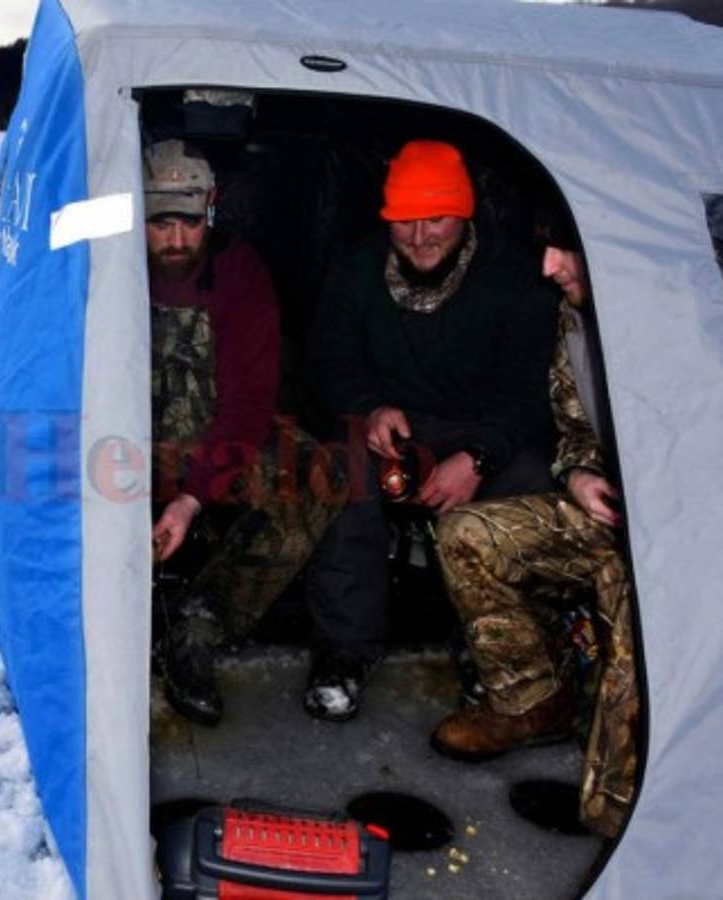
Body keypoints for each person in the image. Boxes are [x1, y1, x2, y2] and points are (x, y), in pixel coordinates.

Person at [303, 140, 560, 721]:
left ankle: (488, 649)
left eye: (436, 218)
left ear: (464, 215)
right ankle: (344, 652)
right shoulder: (356, 268)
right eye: (404, 221)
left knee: (532, 482)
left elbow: (530, 392)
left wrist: (478, 456)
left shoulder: (517, 276)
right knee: (340, 473)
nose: (420, 236)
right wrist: (369, 408)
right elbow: (328, 359)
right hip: (394, 425)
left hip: (485, 430)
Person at [430, 208, 639, 838]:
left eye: (569, 251)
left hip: (682, 537)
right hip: (605, 515)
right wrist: (578, 475)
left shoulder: (682, 322)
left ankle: (624, 814)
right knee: (466, 535)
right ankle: (531, 702)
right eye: (549, 247)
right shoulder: (572, 320)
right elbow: (573, 426)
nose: (550, 267)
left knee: (634, 608)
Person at [146, 138, 345, 726]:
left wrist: (190, 497)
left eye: (189, 222)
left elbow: (247, 403)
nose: (177, 241)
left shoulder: (239, 272)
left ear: (210, 209)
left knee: (320, 476)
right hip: (126, 445)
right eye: (161, 225)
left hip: (216, 442)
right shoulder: (102, 268)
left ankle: (198, 625)